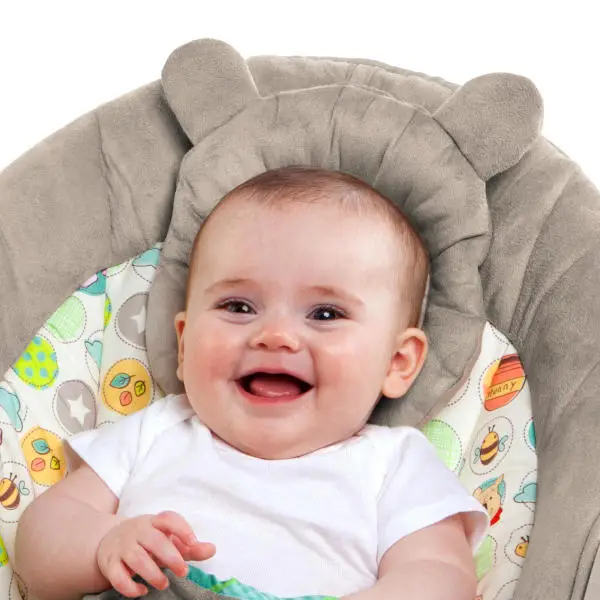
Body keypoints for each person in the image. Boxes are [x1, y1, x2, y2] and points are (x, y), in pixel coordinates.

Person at [14, 166, 488, 600]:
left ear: (397, 362)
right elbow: (39, 544)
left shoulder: (394, 464)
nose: (275, 335)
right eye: (238, 307)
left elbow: (441, 577)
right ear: (185, 344)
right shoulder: (154, 430)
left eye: (326, 314)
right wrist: (104, 544)